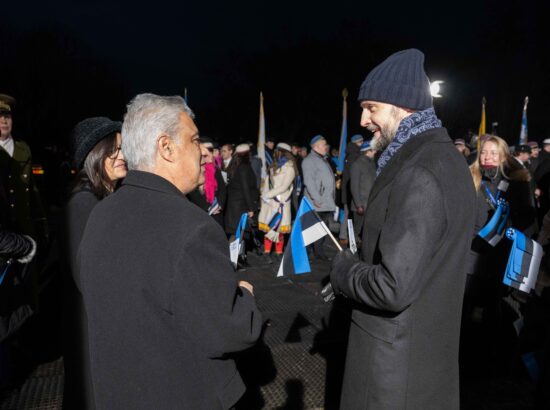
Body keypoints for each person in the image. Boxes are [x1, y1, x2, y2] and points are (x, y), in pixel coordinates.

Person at [77, 94, 262, 409]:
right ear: (166, 147)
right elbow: (229, 331)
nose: (203, 154)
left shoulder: (101, 212)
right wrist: (245, 297)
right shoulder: (191, 227)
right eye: (193, 140)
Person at [329, 49, 476, 409]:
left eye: (372, 108)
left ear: (404, 106)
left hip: (395, 375)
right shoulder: (438, 157)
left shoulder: (420, 172)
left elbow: (392, 287)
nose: (363, 119)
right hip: (422, 357)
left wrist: (343, 269)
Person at [62, 116, 127, 410]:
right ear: (94, 155)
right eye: (113, 150)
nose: (122, 156)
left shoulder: (104, 198)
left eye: (123, 148)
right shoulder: (83, 204)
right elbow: (90, 280)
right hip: (93, 336)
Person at [0, 94, 47, 243]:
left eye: (7, 116)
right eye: (0, 116)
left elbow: (32, 190)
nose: (4, 120)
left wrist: (41, 222)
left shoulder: (23, 149)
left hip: (24, 231)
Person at [258, 143, 297, 263]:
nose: (274, 153)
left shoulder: (290, 168)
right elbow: (267, 183)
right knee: (269, 227)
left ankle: (279, 253)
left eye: (277, 151)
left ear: (282, 152)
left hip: (282, 203)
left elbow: (284, 186)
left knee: (280, 228)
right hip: (270, 202)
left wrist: (268, 195)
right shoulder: (273, 166)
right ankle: (267, 251)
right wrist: (263, 197)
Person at [302, 135, 335, 261]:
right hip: (318, 202)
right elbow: (309, 182)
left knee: (322, 229)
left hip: (325, 201)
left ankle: (318, 253)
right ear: (316, 146)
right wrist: (317, 199)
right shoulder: (309, 160)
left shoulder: (322, 159)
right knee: (311, 228)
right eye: (323, 144)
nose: (326, 147)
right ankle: (307, 254)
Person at [187, 139, 227, 228]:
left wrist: (219, 205)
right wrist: (208, 207)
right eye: (205, 154)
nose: (209, 155)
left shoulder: (215, 170)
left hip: (217, 213)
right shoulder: (194, 170)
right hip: (201, 213)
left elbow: (223, 190)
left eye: (211, 151)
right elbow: (193, 192)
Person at [225, 143, 260, 241]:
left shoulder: (234, 166)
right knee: (238, 235)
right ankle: (233, 256)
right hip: (240, 206)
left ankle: (236, 255)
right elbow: (246, 189)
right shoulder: (244, 168)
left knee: (237, 234)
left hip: (234, 206)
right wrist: (251, 208)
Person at [349, 140, 376, 242]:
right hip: (360, 206)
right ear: (368, 151)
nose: (375, 152)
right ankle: (352, 252)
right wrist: (358, 205)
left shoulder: (372, 164)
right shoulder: (357, 165)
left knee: (366, 232)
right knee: (357, 230)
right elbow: (354, 187)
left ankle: (362, 253)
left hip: (370, 204)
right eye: (373, 150)